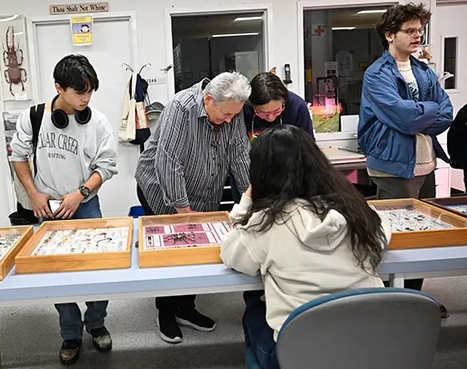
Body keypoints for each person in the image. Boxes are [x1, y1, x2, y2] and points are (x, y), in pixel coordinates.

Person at [220, 125, 392, 369]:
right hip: (365, 346)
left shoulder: (266, 222)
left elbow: (231, 254)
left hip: (300, 353)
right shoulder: (357, 211)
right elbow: (383, 231)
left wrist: (248, 198)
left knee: (254, 312)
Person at [9, 54, 118, 365]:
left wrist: (80, 193)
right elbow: (17, 157)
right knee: (55, 273)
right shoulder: (32, 118)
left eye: (89, 92)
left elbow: (107, 165)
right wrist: (34, 194)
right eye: (78, 92)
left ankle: (96, 323)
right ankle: (70, 332)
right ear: (58, 87)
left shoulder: (97, 121)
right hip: (48, 207)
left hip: (84, 204)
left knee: (99, 270)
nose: (85, 99)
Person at [135, 71, 251, 344]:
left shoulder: (231, 110)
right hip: (161, 189)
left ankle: (186, 308)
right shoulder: (180, 107)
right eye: (225, 114)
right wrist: (183, 210)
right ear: (208, 99)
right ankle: (165, 312)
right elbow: (168, 161)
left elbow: (239, 154)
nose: (230, 120)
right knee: (170, 253)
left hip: (204, 190)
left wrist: (250, 198)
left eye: (234, 115)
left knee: (196, 252)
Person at [357, 3, 453, 296]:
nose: (417, 36)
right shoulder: (377, 75)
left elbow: (447, 113)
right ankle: (392, 300)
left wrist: (419, 114)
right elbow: (404, 116)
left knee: (425, 237)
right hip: (392, 165)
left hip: (427, 164)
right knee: (397, 239)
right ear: (389, 35)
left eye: (420, 31)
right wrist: (425, 112)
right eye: (409, 31)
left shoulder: (423, 71)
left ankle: (416, 297)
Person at [229, 71, 314, 203]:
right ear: (252, 105)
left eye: (277, 111)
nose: (270, 117)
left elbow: (308, 150)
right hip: (248, 179)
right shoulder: (241, 110)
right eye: (263, 113)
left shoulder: (297, 106)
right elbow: (236, 154)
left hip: (289, 179)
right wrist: (248, 194)